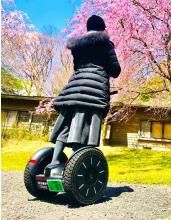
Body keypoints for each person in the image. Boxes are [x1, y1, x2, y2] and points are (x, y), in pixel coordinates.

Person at [45, 15, 121, 171]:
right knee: (87, 127)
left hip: (74, 88)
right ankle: (75, 168)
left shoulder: (77, 46)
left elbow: (76, 68)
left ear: (87, 28)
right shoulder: (106, 44)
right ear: (102, 28)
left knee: (67, 124)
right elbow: (115, 70)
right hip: (95, 88)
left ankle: (53, 162)